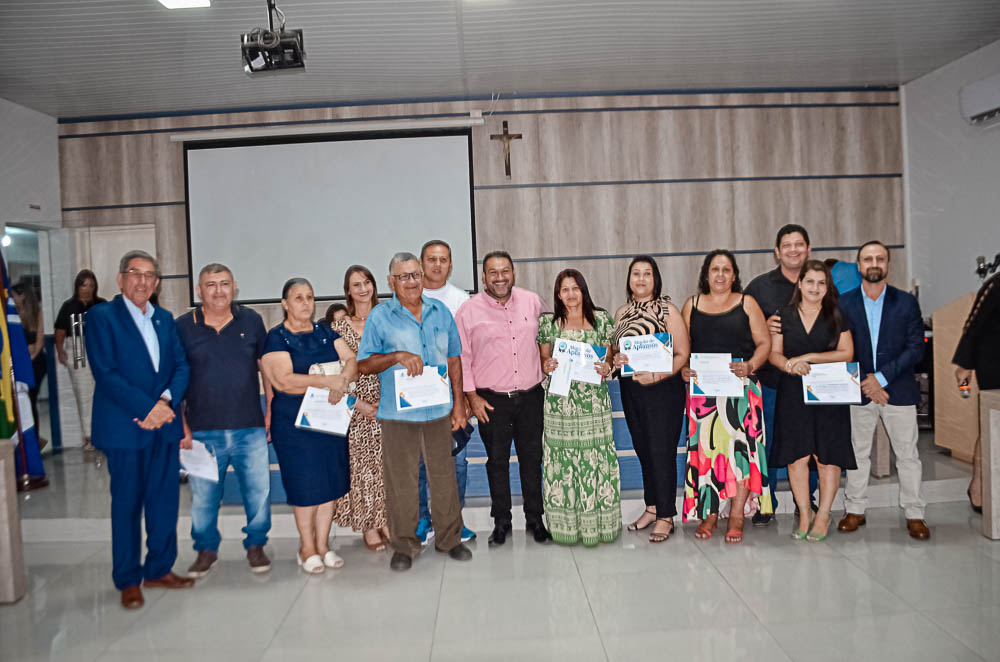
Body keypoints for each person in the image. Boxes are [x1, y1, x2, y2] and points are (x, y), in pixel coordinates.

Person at [85, 249, 192, 609]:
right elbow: (105, 372)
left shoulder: (164, 318)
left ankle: (159, 568)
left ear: (157, 283)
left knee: (164, 501)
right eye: (135, 273)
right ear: (120, 279)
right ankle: (128, 578)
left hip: (163, 427)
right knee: (127, 505)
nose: (142, 281)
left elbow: (181, 366)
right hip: (124, 429)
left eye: (149, 275)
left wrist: (163, 403)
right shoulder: (101, 317)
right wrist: (148, 408)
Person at [357, 252, 472, 571]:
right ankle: (405, 546)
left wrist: (460, 404)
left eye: (416, 275)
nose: (411, 281)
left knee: (444, 477)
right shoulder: (380, 317)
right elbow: (364, 364)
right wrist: (395, 356)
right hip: (399, 416)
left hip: (437, 411)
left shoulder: (441, 312)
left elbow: (454, 359)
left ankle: (450, 539)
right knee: (402, 482)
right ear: (391, 281)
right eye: (404, 276)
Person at [175, 264, 272, 577]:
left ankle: (256, 546)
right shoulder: (181, 327)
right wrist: (182, 426)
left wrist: (270, 407)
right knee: (203, 498)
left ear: (235, 288)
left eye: (224, 284)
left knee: (258, 493)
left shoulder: (252, 321)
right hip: (201, 430)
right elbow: (174, 380)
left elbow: (266, 368)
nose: (218, 291)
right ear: (198, 291)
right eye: (211, 285)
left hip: (250, 426)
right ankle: (206, 551)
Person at [259, 277, 357, 573]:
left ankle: (324, 545)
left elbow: (351, 359)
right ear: (285, 304)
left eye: (310, 297)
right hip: (294, 426)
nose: (305, 303)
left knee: (329, 485)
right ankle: (307, 547)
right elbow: (283, 381)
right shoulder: (276, 337)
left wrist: (345, 379)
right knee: (305, 486)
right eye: (298, 298)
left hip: (329, 421)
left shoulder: (325, 332)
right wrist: (326, 381)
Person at [455, 251, 551, 546]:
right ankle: (502, 521)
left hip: (531, 395)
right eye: (492, 272)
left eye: (505, 271)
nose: (499, 277)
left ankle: (536, 519)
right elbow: (462, 357)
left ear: (513, 273)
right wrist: (471, 397)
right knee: (497, 461)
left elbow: (548, 337)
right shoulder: (468, 310)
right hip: (490, 400)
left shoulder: (532, 301)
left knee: (532, 460)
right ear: (483, 277)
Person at [837, 241, 930, 540]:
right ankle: (855, 510)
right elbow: (840, 349)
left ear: (888, 264)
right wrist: (867, 380)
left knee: (907, 455)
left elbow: (916, 348)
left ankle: (915, 514)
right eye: (868, 259)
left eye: (880, 258)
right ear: (858, 265)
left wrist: (881, 378)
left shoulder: (905, 302)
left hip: (897, 389)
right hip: (859, 389)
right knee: (857, 453)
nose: (874, 263)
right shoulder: (844, 303)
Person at [681, 249, 772, 544]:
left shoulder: (747, 303)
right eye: (714, 269)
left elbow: (764, 343)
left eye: (726, 270)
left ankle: (736, 514)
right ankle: (709, 512)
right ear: (706, 275)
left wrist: (750, 366)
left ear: (734, 275)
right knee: (707, 455)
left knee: (740, 455)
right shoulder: (691, 305)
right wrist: (683, 368)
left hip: (742, 392)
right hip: (704, 397)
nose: (720, 275)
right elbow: (682, 348)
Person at [768, 260, 856, 542]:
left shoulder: (836, 313)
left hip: (829, 393)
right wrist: (789, 366)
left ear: (827, 286)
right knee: (797, 457)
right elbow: (774, 354)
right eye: (810, 282)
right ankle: (805, 512)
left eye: (821, 283)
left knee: (827, 458)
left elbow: (847, 353)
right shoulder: (783, 314)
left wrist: (808, 358)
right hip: (793, 393)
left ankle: (824, 514)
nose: (815, 288)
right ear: (800, 283)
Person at [537, 269, 620, 546]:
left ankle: (599, 525)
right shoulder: (549, 323)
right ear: (558, 294)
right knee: (563, 465)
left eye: (575, 288)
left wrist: (607, 366)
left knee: (596, 461)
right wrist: (547, 366)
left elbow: (609, 360)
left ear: (583, 290)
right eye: (564, 289)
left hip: (593, 402)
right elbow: (544, 362)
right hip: (560, 404)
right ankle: (566, 527)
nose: (571, 294)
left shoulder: (603, 320)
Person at [610, 256, 690, 543]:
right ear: (629, 280)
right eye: (636, 274)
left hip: (663, 390)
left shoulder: (668, 310)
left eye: (647, 274)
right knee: (643, 448)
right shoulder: (620, 313)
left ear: (655, 279)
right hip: (631, 390)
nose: (641, 279)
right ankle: (652, 506)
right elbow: (615, 353)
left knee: (661, 450)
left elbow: (682, 354)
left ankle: (667, 515)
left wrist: (656, 376)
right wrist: (616, 358)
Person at [743, 224, 813, 526]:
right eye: (787, 245)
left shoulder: (819, 282)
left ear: (808, 249)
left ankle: (805, 502)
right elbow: (741, 327)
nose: (794, 250)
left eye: (799, 244)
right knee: (766, 443)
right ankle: (765, 503)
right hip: (771, 380)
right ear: (777, 251)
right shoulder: (759, 288)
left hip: (810, 380)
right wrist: (762, 327)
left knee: (808, 444)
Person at [417, 239, 476, 544]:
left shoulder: (461, 300)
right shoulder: (407, 297)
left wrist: (463, 400)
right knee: (418, 461)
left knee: (457, 462)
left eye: (443, 260)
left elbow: (466, 353)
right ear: (421, 263)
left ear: (451, 265)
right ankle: (422, 521)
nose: (437, 265)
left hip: (451, 396)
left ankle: (455, 520)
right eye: (431, 259)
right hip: (414, 396)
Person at [330, 265, 391, 552]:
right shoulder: (338, 328)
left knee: (387, 468)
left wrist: (391, 400)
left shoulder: (389, 319)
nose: (363, 288)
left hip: (390, 405)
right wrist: (360, 405)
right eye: (356, 284)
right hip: (356, 409)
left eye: (367, 282)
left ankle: (385, 521)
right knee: (362, 469)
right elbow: (335, 374)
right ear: (348, 291)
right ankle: (368, 526)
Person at [953, 271, 1000, 514]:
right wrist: (965, 364)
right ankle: (978, 486)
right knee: (993, 428)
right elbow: (973, 324)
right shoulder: (996, 284)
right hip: (994, 362)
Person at [54, 269, 107, 451]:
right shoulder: (69, 306)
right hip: (77, 351)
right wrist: (60, 351)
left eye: (91, 285)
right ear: (78, 286)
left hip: (98, 350)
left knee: (102, 393)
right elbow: (60, 332)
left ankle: (103, 433)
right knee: (83, 394)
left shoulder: (101, 305)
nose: (87, 289)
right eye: (84, 285)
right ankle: (88, 436)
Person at [11, 281, 46, 446]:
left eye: (13, 296)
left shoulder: (37, 313)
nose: (11, 299)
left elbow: (39, 344)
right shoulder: (12, 315)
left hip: (35, 362)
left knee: (30, 399)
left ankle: (34, 439)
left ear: (22, 295)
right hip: (23, 361)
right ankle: (32, 439)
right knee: (24, 401)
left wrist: (27, 358)